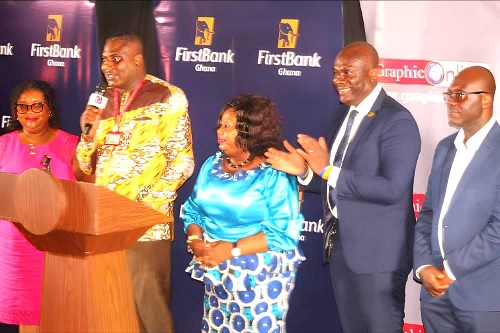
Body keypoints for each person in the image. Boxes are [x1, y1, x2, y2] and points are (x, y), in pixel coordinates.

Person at [265, 41, 421, 332]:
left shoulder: (397, 121)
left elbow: (392, 190)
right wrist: (306, 173)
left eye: (348, 72)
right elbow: (333, 181)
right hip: (340, 250)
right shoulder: (341, 116)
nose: (339, 80)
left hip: (379, 257)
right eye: (336, 73)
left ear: (374, 74)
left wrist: (327, 169)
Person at [76, 32, 194, 333]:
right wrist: (87, 136)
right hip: (105, 226)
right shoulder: (101, 104)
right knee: (113, 313)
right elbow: (82, 165)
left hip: (144, 227)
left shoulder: (167, 97)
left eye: (116, 59)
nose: (107, 66)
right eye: (104, 59)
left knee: (149, 313)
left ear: (138, 60)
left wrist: (140, 210)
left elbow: (182, 162)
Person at [181, 94, 304, 333]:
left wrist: (231, 249)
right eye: (220, 124)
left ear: (250, 133)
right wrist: (195, 240)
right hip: (216, 267)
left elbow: (283, 233)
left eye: (227, 126)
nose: (219, 130)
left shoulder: (273, 173)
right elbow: (193, 210)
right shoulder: (211, 165)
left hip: (258, 275)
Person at [414, 66, 500, 332]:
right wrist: (424, 266)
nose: (451, 102)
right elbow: (427, 213)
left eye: (460, 95)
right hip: (435, 295)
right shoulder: (444, 148)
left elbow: (498, 229)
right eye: (449, 95)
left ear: (485, 99)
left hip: (482, 297)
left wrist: (449, 271)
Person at [0, 80, 86, 332]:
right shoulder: (4, 144)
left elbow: (90, 187)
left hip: (56, 245)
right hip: (15, 245)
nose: (29, 113)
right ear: (15, 111)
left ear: (50, 109)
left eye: (37, 106)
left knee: (58, 315)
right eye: (23, 107)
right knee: (27, 319)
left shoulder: (72, 144)